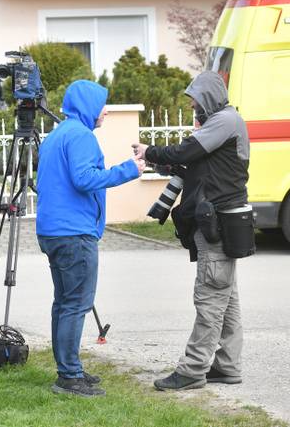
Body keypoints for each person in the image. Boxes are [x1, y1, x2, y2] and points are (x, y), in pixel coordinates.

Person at [132, 71, 251, 391]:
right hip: (221, 224)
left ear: (209, 98)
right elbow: (194, 164)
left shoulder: (225, 121)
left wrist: (150, 151)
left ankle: (192, 369)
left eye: (196, 100)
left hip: (219, 226)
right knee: (226, 299)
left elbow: (186, 152)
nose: (194, 107)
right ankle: (227, 366)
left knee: (210, 298)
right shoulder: (223, 122)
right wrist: (165, 162)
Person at [36, 80, 144, 396]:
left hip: (53, 231)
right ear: (87, 106)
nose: (106, 110)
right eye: (101, 104)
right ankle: (69, 377)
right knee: (75, 304)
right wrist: (128, 170)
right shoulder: (81, 136)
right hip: (74, 233)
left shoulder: (56, 135)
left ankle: (68, 369)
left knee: (64, 303)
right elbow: (85, 179)